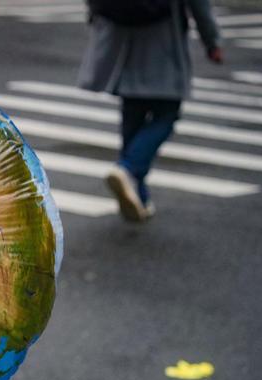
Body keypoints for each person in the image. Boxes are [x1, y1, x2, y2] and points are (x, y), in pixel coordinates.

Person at [78, 0, 223, 222]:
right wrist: (211, 41)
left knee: (133, 112)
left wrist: (96, 17)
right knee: (167, 112)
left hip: (122, 40)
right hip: (163, 39)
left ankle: (139, 194)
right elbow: (199, 5)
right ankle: (129, 169)